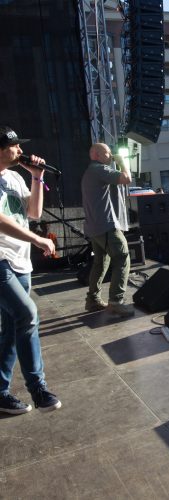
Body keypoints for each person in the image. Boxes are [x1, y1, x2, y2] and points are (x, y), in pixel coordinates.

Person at [0, 126, 61, 414]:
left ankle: (0, 393)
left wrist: (37, 177)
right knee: (28, 314)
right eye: (15, 146)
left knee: (12, 330)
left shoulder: (13, 177)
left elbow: (33, 213)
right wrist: (37, 238)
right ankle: (39, 390)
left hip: (20, 260)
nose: (20, 151)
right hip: (1, 261)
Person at [81, 143, 134, 317]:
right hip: (106, 226)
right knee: (122, 257)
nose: (110, 155)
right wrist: (123, 161)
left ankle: (93, 300)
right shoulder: (98, 169)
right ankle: (116, 302)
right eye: (107, 153)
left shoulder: (91, 172)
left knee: (100, 262)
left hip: (95, 227)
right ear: (95, 154)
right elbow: (127, 178)